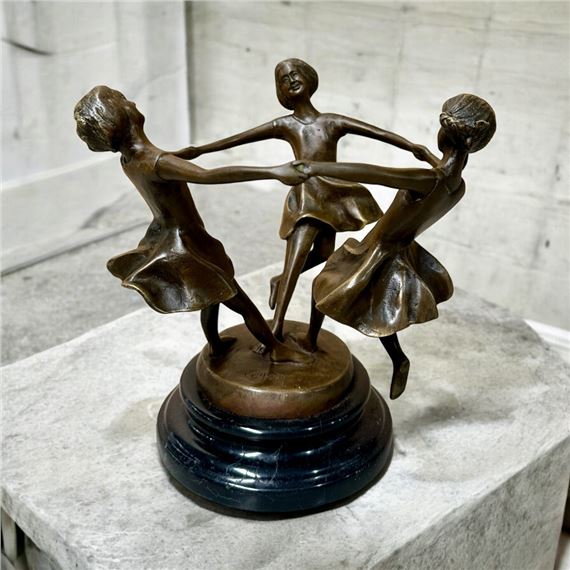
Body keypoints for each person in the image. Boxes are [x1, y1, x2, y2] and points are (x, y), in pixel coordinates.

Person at [173, 58, 432, 351]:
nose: (291, 80)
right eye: (283, 79)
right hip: (307, 200)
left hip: (333, 199)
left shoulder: (332, 121)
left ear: (309, 78)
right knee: (295, 263)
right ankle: (276, 328)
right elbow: (237, 140)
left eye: (295, 74)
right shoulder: (285, 125)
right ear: (280, 91)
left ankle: (280, 279)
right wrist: (197, 150)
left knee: (323, 256)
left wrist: (414, 147)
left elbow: (379, 133)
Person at [74, 85, 309, 363]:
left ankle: (216, 345)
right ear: (118, 117)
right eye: (123, 99)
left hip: (166, 235)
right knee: (238, 299)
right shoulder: (157, 161)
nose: (132, 102)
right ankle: (275, 347)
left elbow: (161, 168)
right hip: (188, 241)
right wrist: (273, 171)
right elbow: (208, 175)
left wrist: (178, 157)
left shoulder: (129, 160)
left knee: (211, 292)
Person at [296, 93, 496, 397]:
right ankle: (398, 359)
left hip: (376, 249)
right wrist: (428, 157)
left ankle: (310, 341)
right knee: (379, 311)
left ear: (444, 133)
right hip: (403, 250)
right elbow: (439, 178)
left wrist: (315, 168)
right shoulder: (457, 187)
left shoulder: (426, 179)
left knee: (322, 288)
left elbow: (372, 173)